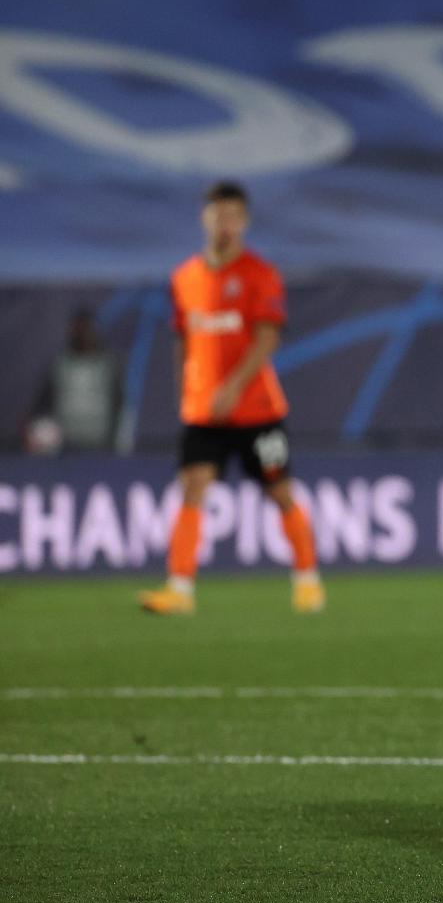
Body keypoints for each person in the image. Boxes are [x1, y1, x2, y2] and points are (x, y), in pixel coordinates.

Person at [138, 182, 323, 616]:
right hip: (205, 412)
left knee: (279, 490)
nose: (226, 224)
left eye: (234, 216)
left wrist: (234, 387)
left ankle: (308, 579)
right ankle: (179, 590)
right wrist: (186, 388)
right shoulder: (184, 278)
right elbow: (183, 336)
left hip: (258, 410)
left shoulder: (260, 274)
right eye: (219, 215)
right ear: (205, 218)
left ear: (245, 222)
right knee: (193, 487)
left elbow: (267, 337)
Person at [26, 308, 121, 453]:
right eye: (78, 329)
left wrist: (118, 443)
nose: (83, 334)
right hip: (64, 443)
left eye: (87, 329)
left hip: (101, 443)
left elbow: (120, 405)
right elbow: (42, 403)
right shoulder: (60, 364)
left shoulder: (109, 364)